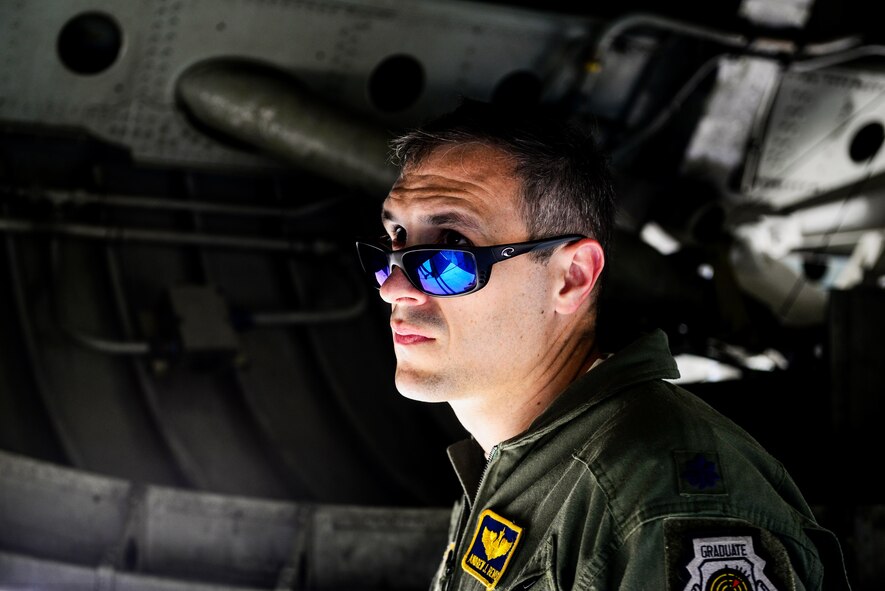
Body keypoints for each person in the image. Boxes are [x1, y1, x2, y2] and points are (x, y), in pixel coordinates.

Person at [354, 100, 849, 591]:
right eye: (394, 240)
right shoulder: (515, 471)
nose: (393, 288)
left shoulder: (660, 504)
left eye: (450, 254)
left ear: (571, 277)